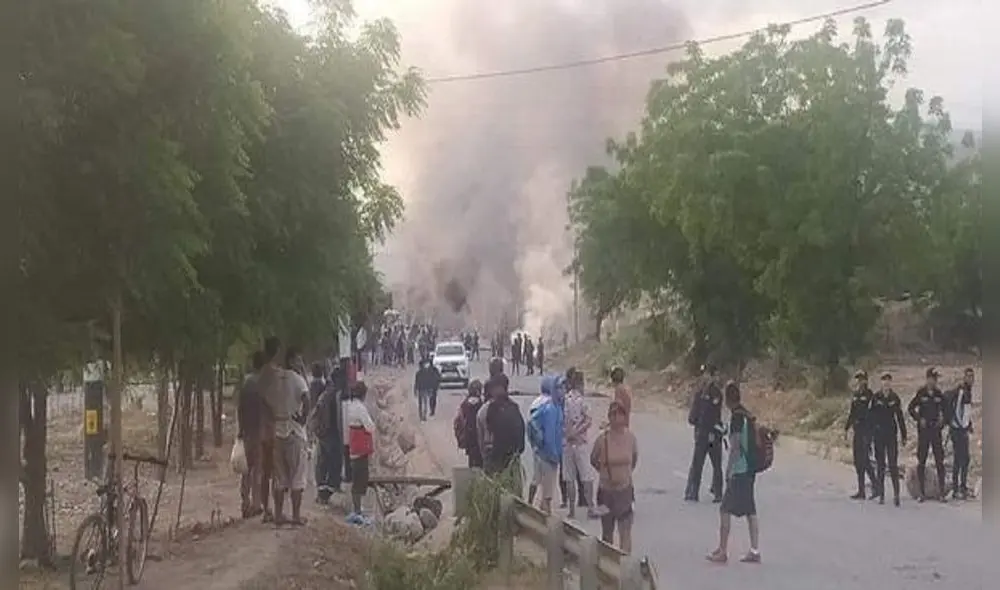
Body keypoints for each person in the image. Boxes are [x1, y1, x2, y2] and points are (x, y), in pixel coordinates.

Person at [258, 339, 310, 526]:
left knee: (279, 476)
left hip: (278, 431)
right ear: (293, 361)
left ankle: (279, 514)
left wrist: (272, 415)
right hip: (295, 431)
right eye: (299, 360)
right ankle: (295, 515)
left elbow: (263, 399)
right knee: (297, 474)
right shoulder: (296, 379)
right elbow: (307, 397)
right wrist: (303, 419)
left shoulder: (274, 379)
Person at [708, 382, 760, 564]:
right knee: (750, 510)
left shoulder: (736, 418)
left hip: (740, 469)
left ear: (728, 400)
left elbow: (736, 446)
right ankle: (755, 549)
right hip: (750, 469)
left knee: (725, 509)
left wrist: (728, 470)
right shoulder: (746, 414)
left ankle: (722, 551)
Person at [590, 400, 638, 553]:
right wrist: (605, 473)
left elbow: (634, 459)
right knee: (607, 533)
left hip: (624, 491)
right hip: (606, 492)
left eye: (620, 415)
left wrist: (624, 474)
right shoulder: (602, 439)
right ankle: (608, 567)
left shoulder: (631, 438)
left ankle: (624, 568)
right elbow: (593, 459)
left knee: (625, 532)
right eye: (613, 415)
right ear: (609, 417)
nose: (617, 419)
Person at [477, 374, 525, 493]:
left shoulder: (486, 409)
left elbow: (481, 436)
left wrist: (484, 455)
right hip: (512, 457)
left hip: (494, 456)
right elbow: (521, 431)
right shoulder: (514, 407)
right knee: (512, 491)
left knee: (492, 491)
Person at [907, 367, 949, 502]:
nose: (934, 381)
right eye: (932, 378)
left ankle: (941, 492)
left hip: (935, 431)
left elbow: (947, 410)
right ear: (927, 378)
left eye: (936, 379)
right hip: (924, 431)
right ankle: (921, 493)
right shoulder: (921, 393)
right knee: (922, 461)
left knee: (939, 461)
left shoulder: (938, 394)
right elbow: (910, 408)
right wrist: (919, 419)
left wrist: (943, 421)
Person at [685, 364, 724, 503]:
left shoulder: (703, 392)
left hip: (705, 433)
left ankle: (694, 492)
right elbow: (710, 415)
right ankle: (713, 492)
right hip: (709, 433)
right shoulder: (713, 393)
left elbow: (695, 417)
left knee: (702, 464)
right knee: (710, 464)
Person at [563, 370, 598, 519]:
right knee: (586, 476)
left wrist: (569, 433)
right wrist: (578, 431)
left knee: (570, 477)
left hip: (567, 443)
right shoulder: (583, 401)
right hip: (581, 443)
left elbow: (562, 421)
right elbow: (588, 420)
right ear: (581, 383)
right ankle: (591, 507)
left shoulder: (565, 400)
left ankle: (571, 510)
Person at [527, 375, 564, 513]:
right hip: (548, 456)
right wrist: (554, 455)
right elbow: (550, 436)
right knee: (547, 496)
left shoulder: (548, 405)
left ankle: (530, 504)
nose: (564, 391)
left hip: (539, 452)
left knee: (537, 481)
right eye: (560, 387)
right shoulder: (551, 409)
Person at [869, 372, 907, 506]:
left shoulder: (895, 398)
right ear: (881, 383)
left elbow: (900, 416)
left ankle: (896, 495)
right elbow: (871, 417)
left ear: (891, 384)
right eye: (884, 382)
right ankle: (881, 494)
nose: (886, 384)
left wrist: (904, 435)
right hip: (879, 435)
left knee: (893, 465)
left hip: (891, 434)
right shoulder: (876, 397)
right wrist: (871, 435)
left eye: (888, 382)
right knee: (880, 466)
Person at [237, 351, 266, 518]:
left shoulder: (246, 383)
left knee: (246, 470)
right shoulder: (263, 383)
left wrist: (240, 431)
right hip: (260, 432)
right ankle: (257, 504)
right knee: (258, 470)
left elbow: (240, 408)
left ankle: (245, 504)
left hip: (247, 431)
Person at [309, 373, 343, 504]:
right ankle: (325, 494)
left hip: (324, 434)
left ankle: (322, 493)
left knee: (323, 464)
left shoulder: (326, 394)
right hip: (330, 434)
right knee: (333, 464)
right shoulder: (333, 395)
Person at [845, 370, 877, 500]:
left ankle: (876, 486)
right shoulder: (856, 395)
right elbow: (852, 412)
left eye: (862, 379)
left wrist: (872, 432)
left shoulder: (870, 395)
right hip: (857, 430)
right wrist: (846, 428)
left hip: (866, 430)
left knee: (865, 460)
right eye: (858, 379)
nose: (860, 382)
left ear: (866, 381)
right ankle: (861, 490)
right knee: (858, 461)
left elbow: (873, 414)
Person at [346, 381, 375, 515]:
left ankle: (357, 508)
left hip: (353, 444)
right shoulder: (360, 408)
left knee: (357, 476)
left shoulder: (350, 406)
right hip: (360, 446)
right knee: (360, 478)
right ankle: (357, 510)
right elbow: (370, 427)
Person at [948, 367, 975, 499]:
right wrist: (961, 426)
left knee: (965, 459)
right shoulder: (961, 391)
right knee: (959, 459)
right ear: (964, 378)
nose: (971, 379)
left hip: (962, 429)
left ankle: (962, 487)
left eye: (972, 376)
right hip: (957, 430)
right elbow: (957, 411)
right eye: (968, 376)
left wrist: (969, 424)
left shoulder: (968, 391)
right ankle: (956, 489)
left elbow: (966, 411)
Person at [454, 379, 485, 467]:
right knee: (480, 463)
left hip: (468, 437)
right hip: (479, 438)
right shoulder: (482, 405)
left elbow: (458, 421)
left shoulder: (464, 404)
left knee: (471, 461)